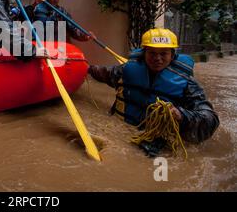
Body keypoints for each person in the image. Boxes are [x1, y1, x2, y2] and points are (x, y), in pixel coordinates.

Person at [89, 28, 219, 152]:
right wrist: (88, 68)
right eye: (152, 53)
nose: (157, 58)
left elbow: (210, 118)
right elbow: (105, 74)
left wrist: (181, 115)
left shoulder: (187, 84)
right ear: (143, 53)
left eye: (163, 53)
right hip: (122, 131)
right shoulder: (126, 71)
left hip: (159, 139)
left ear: (172, 55)